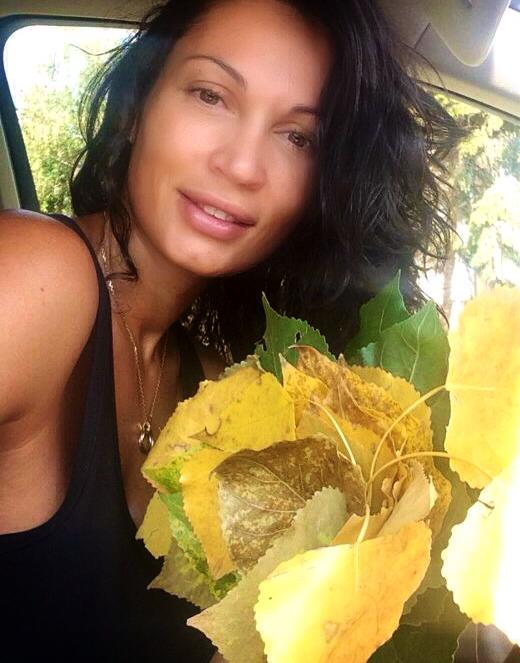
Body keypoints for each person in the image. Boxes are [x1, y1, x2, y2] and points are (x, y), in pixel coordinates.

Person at [0, 0, 458, 661]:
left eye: (297, 138)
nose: (243, 165)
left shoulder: (220, 391)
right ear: (137, 104)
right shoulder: (32, 278)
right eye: (210, 95)